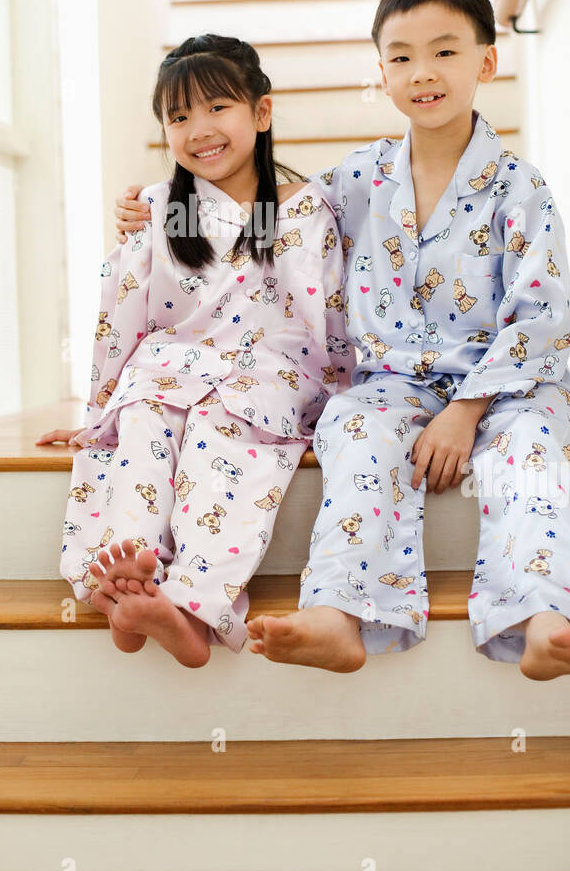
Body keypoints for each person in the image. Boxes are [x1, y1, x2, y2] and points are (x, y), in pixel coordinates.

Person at [111, 0, 570, 681]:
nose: (422, 73)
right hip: (395, 382)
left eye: (444, 52)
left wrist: (467, 413)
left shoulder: (519, 187)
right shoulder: (360, 177)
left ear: (486, 64)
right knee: (351, 425)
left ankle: (544, 617)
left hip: (515, 388)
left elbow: (543, 319)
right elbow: (269, 214)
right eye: (401, 57)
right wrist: (158, 210)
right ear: (381, 73)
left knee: (531, 448)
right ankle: (339, 614)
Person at [38, 33, 351, 667]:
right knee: (142, 422)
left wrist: (339, 400)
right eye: (178, 117)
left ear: (261, 114)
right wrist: (100, 405)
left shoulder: (300, 207)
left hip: (264, 374)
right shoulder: (159, 208)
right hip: (170, 364)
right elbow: (123, 308)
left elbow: (326, 316)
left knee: (222, 433)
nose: (198, 130)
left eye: (216, 108)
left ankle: (193, 606)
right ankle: (125, 581)